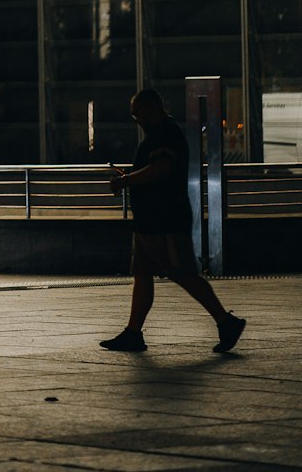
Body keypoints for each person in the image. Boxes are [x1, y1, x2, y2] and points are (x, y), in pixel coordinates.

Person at [100, 88, 246, 354]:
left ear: (152, 108)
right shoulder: (160, 134)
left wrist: (126, 180)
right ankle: (133, 332)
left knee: (183, 273)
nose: (137, 119)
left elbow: (162, 168)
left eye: (138, 113)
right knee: (142, 274)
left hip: (164, 220)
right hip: (149, 222)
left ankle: (226, 322)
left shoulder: (166, 134)